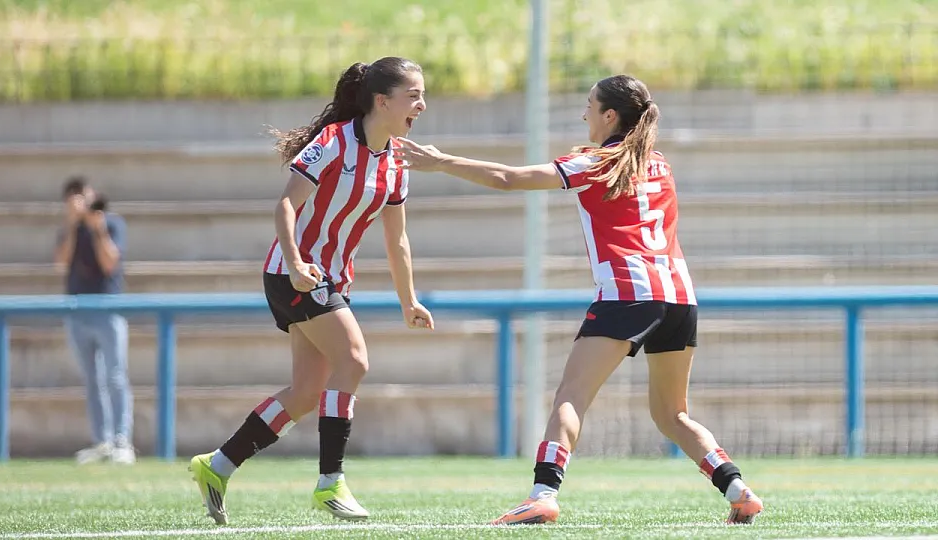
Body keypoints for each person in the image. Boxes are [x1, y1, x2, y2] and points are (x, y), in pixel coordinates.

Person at [394, 74, 764, 526]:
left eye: (590, 104)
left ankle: (543, 495)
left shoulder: (593, 162)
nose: (583, 112)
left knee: (571, 395)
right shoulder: (659, 162)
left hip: (628, 294)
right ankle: (738, 489)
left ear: (610, 115)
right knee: (672, 414)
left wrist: (441, 161)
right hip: (679, 297)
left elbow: (509, 179)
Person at [188, 57, 434, 525]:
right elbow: (286, 204)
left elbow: (397, 239)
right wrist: (298, 263)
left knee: (305, 394)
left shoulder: (397, 162)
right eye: (413, 95)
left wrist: (409, 301)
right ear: (382, 101)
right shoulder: (334, 141)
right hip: (292, 273)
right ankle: (330, 483)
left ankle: (217, 465)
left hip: (330, 280)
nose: (422, 104)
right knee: (354, 360)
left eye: (423, 95)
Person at [54, 177, 135, 465]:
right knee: (92, 379)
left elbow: (110, 263)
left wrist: (97, 228)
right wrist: (72, 226)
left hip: (108, 309)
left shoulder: (111, 224)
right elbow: (61, 262)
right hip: (78, 311)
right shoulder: (70, 229)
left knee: (116, 376)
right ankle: (102, 441)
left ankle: (122, 441)